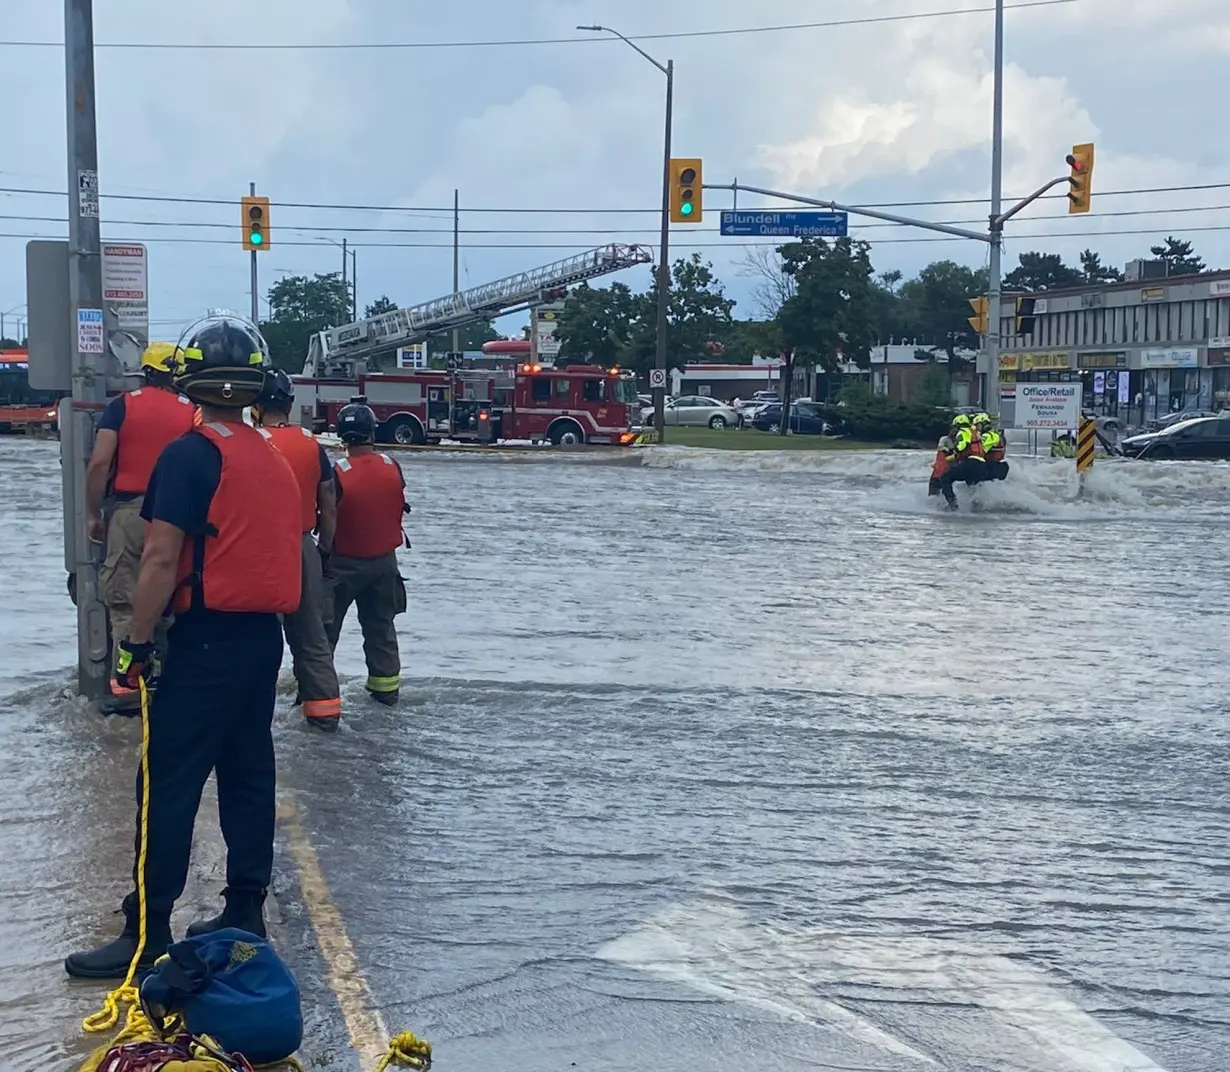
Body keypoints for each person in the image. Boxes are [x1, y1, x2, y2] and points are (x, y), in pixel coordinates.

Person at [65, 313, 302, 978]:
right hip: (261, 642)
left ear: (192, 381)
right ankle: (245, 915)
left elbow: (160, 562)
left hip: (199, 643)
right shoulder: (274, 456)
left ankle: (146, 935)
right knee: (248, 778)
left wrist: (134, 647)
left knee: (165, 785)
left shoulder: (189, 456)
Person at [85, 341, 196, 712]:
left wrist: (92, 515)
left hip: (131, 512)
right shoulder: (192, 411)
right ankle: (167, 686)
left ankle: (130, 693)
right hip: (180, 516)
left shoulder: (122, 406)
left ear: (145, 371)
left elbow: (100, 463)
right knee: (172, 602)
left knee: (124, 601)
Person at [251, 369, 343, 731]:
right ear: (289, 405)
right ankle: (324, 714)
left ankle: (255, 713)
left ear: (255, 405)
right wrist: (325, 548)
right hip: (304, 545)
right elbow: (329, 502)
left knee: (257, 634)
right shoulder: (311, 445)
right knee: (312, 637)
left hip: (260, 549)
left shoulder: (251, 442)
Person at [326, 401, 409, 707]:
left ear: (342, 435)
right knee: (381, 630)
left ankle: (318, 698)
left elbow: (326, 516)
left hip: (342, 564)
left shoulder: (337, 472)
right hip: (385, 563)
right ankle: (386, 694)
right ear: (372, 431)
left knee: (323, 636)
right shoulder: (392, 465)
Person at [937, 413, 986, 509]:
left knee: (944, 477)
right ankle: (976, 507)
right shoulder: (974, 432)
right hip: (981, 464)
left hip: (970, 462)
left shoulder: (963, 432)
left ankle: (952, 505)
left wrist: (955, 448)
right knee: (972, 485)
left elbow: (962, 446)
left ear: (958, 425)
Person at [973, 411, 1009, 481]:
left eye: (977, 425)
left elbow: (979, 451)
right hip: (996, 467)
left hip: (993, 467)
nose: (976, 428)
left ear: (982, 424)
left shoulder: (989, 435)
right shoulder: (994, 434)